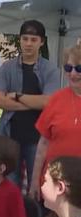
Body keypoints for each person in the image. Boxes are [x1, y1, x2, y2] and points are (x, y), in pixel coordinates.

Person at [0, 20, 60, 189]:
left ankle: (34, 216)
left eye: (33, 39)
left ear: (42, 42)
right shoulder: (7, 68)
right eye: (25, 38)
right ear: (20, 40)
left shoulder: (50, 70)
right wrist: (34, 102)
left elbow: (49, 102)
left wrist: (17, 96)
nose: (28, 43)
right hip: (10, 136)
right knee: (8, 186)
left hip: (38, 139)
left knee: (37, 186)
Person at [30, 42, 81, 201]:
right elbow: (43, 145)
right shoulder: (56, 99)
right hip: (54, 182)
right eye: (68, 68)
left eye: (79, 68)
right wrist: (34, 181)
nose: (73, 74)